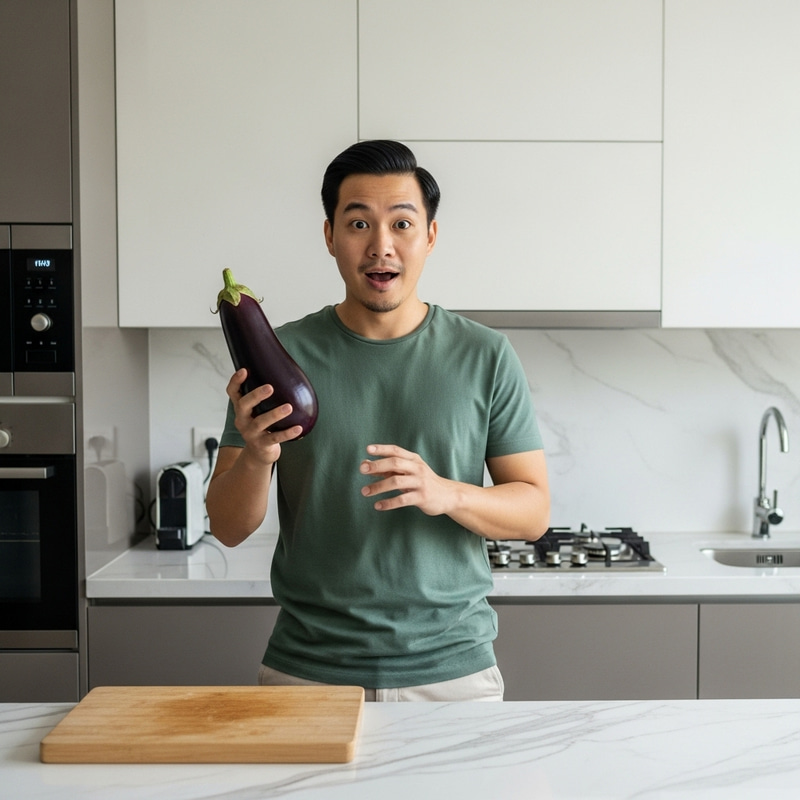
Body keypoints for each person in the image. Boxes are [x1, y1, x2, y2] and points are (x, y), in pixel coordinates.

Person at [206, 139, 550, 701]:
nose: (381, 246)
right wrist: (258, 454)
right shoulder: (275, 357)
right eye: (359, 224)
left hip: (453, 675)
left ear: (430, 236)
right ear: (330, 237)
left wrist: (447, 494)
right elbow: (226, 526)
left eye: (402, 224)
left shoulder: (485, 355)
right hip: (308, 673)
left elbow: (533, 511)